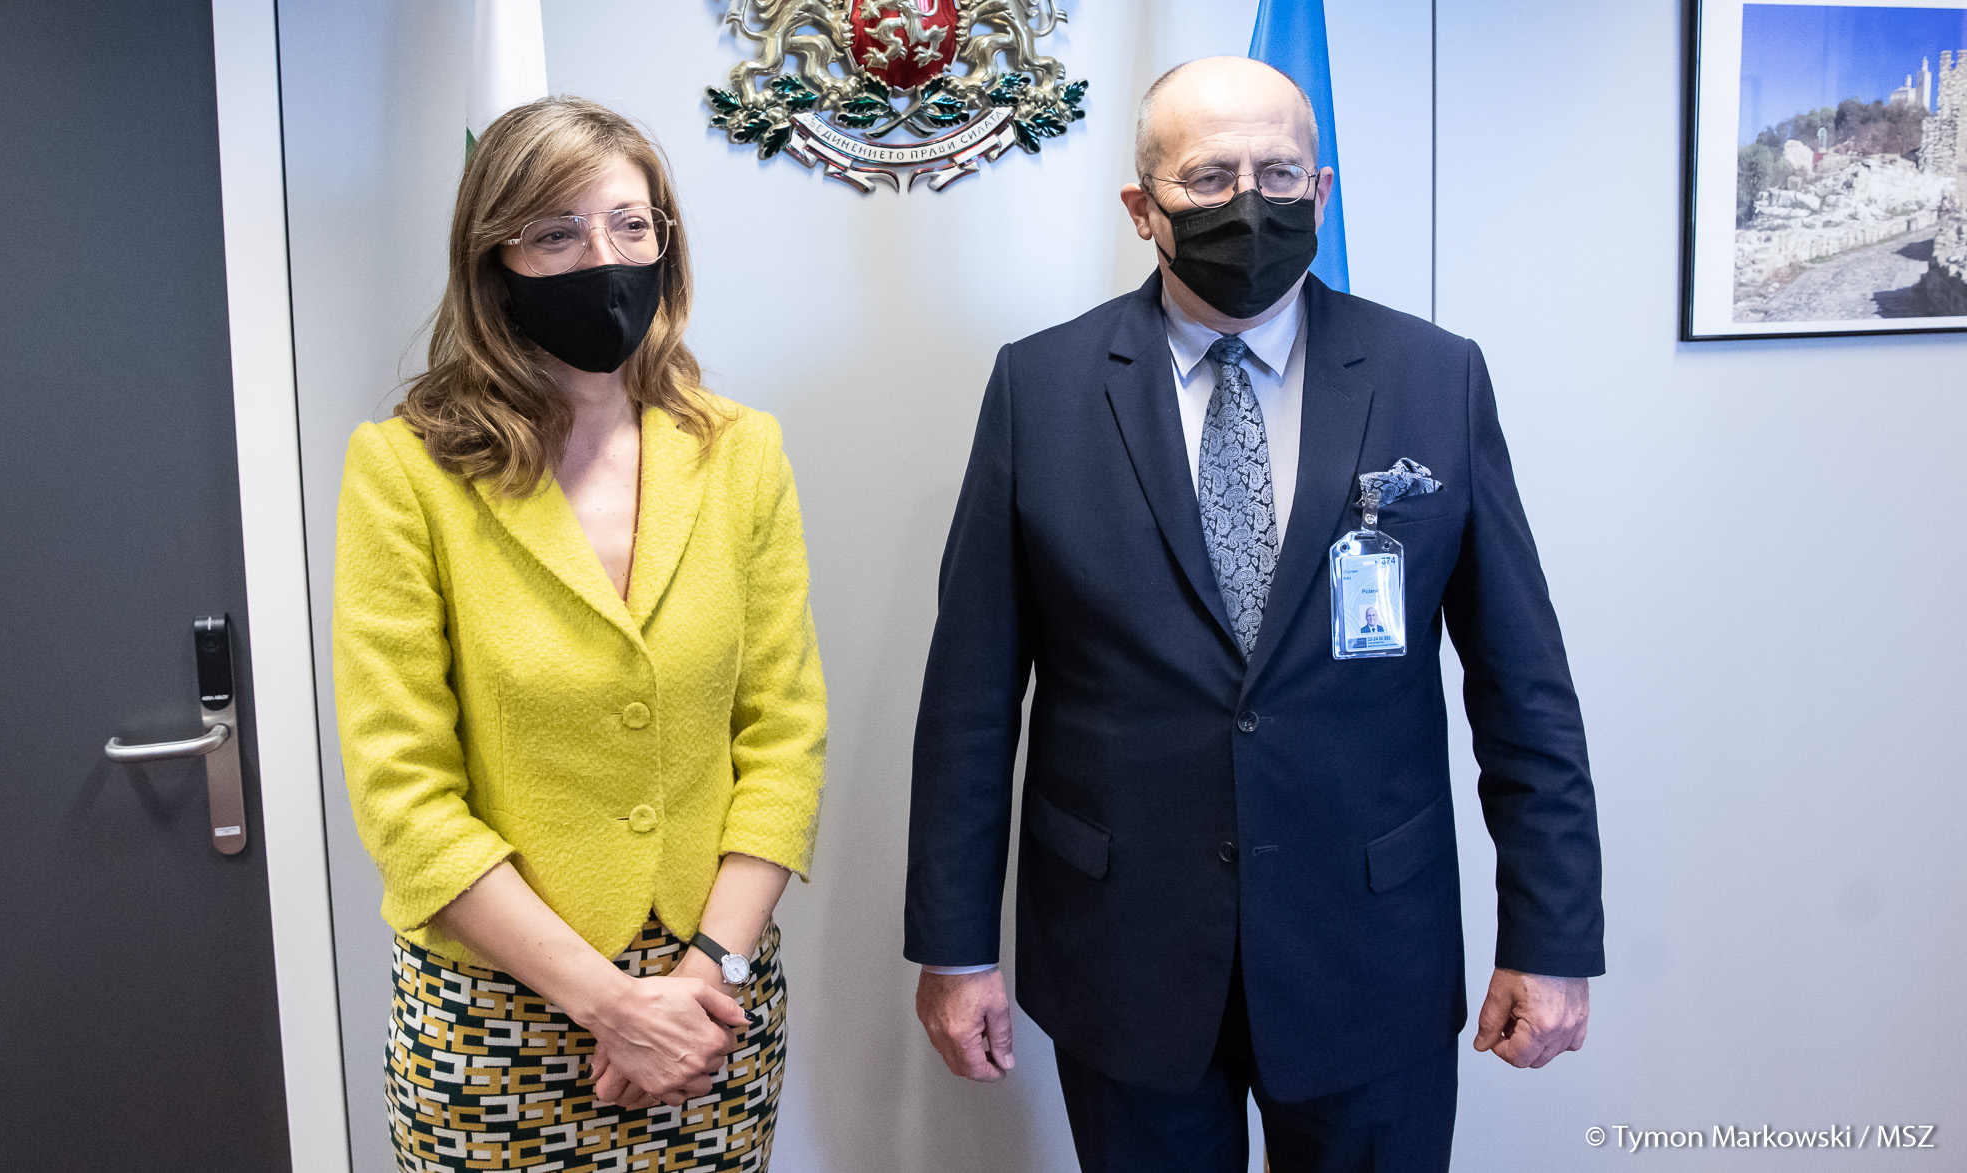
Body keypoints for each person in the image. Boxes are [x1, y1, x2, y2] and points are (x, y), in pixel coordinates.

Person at [904, 56, 1602, 1171]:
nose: (1249, 202)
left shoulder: (1434, 377)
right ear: (1142, 208)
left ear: (1320, 193)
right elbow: (970, 703)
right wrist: (954, 948)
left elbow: (1525, 691)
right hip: (1124, 957)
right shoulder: (1040, 388)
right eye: (1209, 177)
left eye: (1279, 175)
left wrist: (1551, 937)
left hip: (1370, 952)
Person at [334, 96, 827, 1172]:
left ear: (665, 242)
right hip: (495, 1022)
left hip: (709, 1008)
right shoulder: (406, 471)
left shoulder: (740, 452)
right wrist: (612, 1006)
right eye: (556, 233)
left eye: (630, 225)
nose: (603, 258)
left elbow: (782, 736)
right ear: (494, 261)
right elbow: (403, 794)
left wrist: (702, 976)